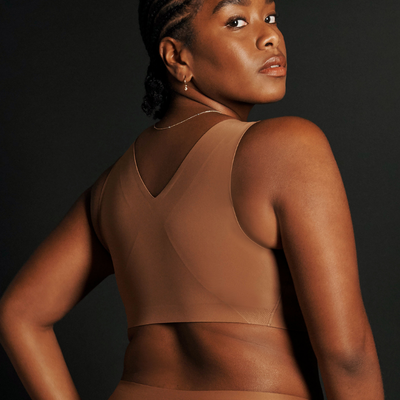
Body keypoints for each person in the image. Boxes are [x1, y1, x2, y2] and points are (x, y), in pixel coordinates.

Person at [0, 0, 384, 399]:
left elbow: (20, 314)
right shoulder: (287, 147)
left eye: (270, 17)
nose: (270, 36)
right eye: (236, 21)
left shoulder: (111, 187)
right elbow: (347, 355)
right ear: (177, 57)